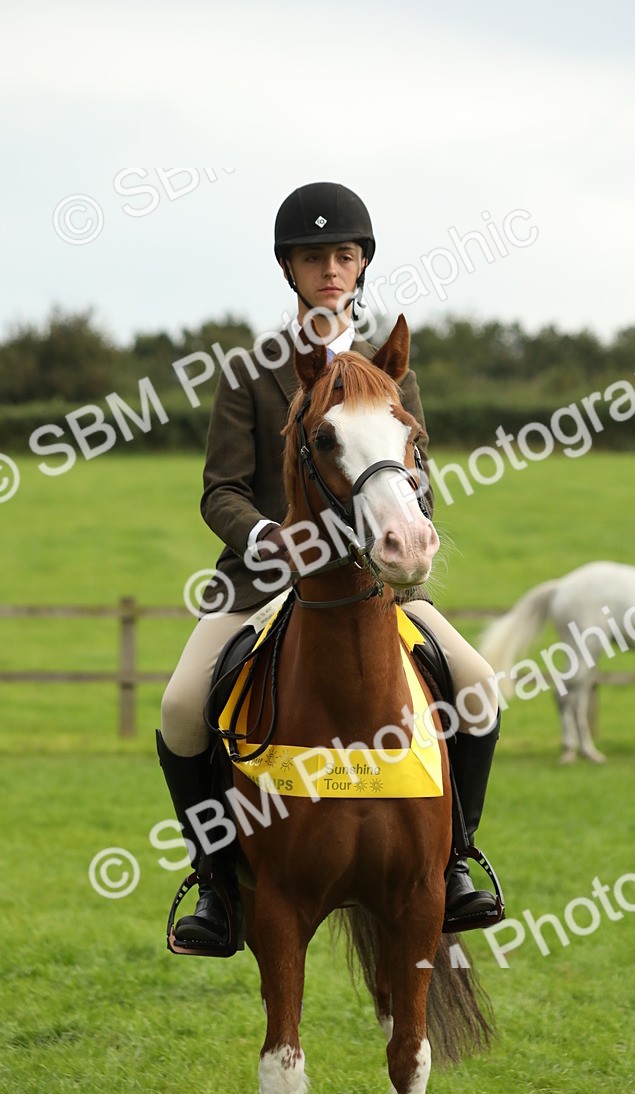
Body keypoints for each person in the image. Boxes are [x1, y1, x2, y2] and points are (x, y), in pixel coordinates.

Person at [158, 182, 502, 954]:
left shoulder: (391, 371)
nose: (332, 269)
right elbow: (220, 490)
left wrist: (409, 531)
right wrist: (266, 539)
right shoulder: (251, 370)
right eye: (315, 257)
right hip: (262, 581)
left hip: (374, 587)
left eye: (345, 255)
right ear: (290, 270)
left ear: (362, 265)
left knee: (479, 686)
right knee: (182, 710)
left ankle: (454, 863)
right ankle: (216, 885)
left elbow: (420, 483)